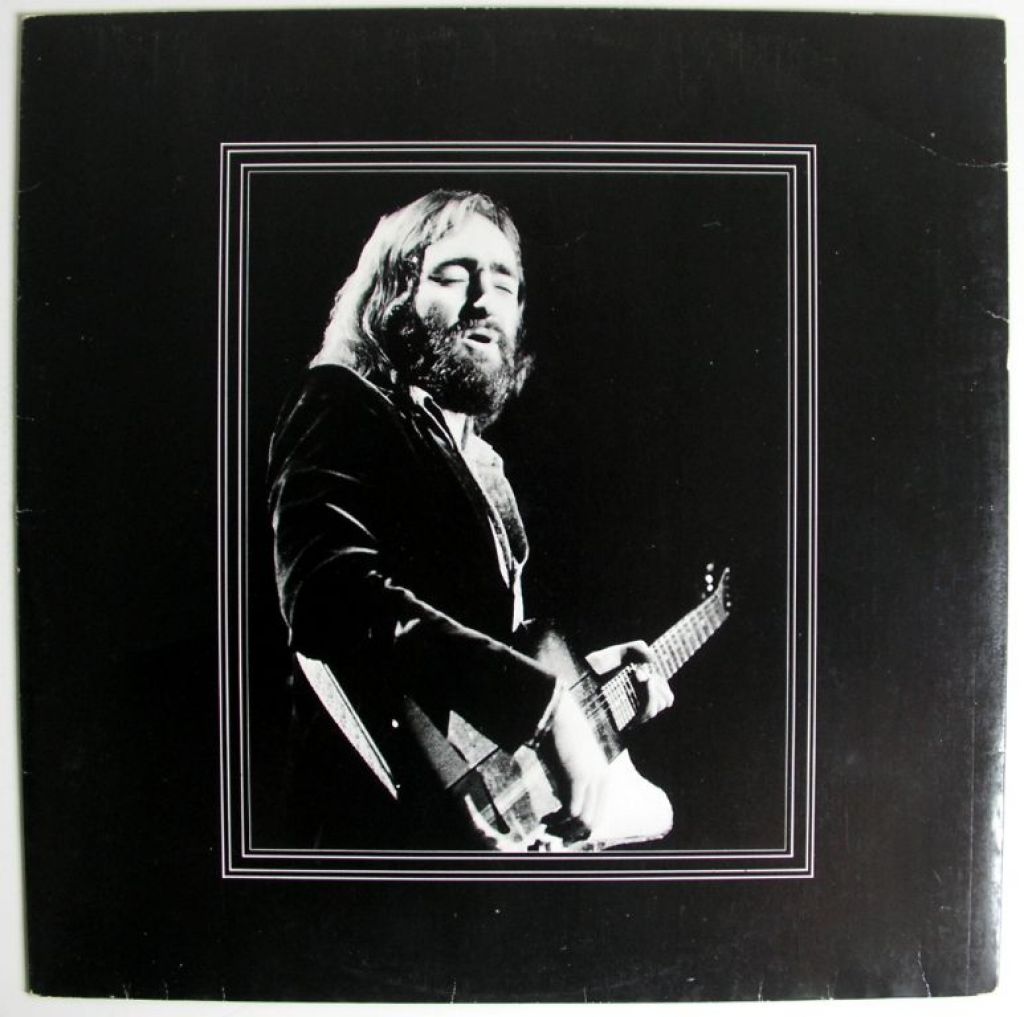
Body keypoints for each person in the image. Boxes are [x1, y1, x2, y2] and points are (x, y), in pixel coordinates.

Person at [268, 190, 673, 849]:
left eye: (504, 283)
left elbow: (485, 649)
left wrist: (585, 686)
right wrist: (542, 707)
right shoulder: (341, 401)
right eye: (453, 276)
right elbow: (327, 594)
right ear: (392, 297)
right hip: (374, 843)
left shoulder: (483, 465)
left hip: (472, 847)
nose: (484, 300)